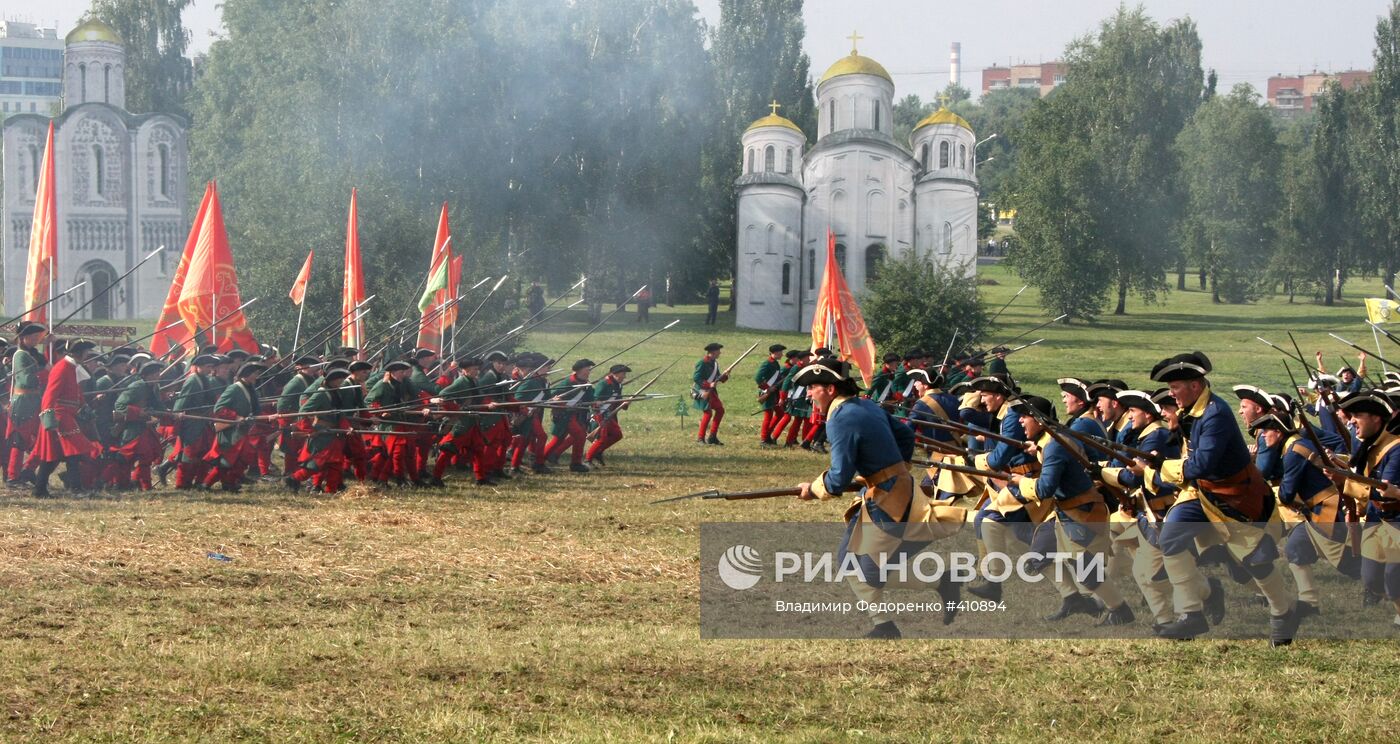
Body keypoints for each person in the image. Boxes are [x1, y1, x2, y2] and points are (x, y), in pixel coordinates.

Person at [1129, 351, 1300, 646]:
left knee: (1257, 562)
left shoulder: (1215, 414)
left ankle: (1283, 612)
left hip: (1237, 496)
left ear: (1195, 386)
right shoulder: (1191, 411)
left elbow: (1202, 464)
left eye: (1176, 387)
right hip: (1202, 492)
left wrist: (1162, 467)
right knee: (1169, 538)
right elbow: (1191, 459)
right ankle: (1192, 614)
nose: (1171, 394)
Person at [795, 357, 966, 637]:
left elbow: (838, 477)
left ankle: (939, 585)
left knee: (865, 569)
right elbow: (906, 438)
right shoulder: (866, 405)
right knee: (856, 564)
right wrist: (887, 469)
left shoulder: (839, 418)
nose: (809, 394)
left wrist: (814, 488)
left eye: (812, 387)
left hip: (888, 500)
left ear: (829, 388)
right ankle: (884, 624)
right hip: (893, 489)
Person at [32, 340, 101, 497]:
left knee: (55, 455)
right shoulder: (62, 368)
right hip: (60, 416)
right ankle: (75, 489)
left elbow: (77, 393)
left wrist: (85, 407)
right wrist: (48, 416)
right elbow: (50, 394)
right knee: (72, 453)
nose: (87, 355)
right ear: (79, 353)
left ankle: (39, 489)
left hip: (68, 415)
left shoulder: (71, 367)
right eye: (86, 352)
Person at [6, 322, 47, 485]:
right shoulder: (21, 355)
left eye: (37, 337)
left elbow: (42, 365)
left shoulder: (31, 354)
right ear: (23, 338)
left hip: (34, 401)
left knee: (42, 439)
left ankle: (28, 470)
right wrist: (44, 374)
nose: (36, 340)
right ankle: (13, 477)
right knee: (20, 440)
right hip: (23, 402)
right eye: (33, 337)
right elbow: (27, 380)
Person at [544, 359, 595, 473]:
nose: (589, 371)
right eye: (587, 369)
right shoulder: (568, 383)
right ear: (580, 370)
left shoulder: (586, 384)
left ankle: (541, 458)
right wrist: (559, 401)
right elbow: (551, 397)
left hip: (574, 415)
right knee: (580, 435)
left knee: (559, 439)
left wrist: (595, 402)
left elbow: (591, 398)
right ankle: (575, 463)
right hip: (563, 414)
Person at [586, 364, 630, 466]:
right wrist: (597, 403)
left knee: (617, 435)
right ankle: (587, 460)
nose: (624, 376)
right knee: (602, 438)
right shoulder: (604, 384)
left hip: (609, 415)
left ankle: (598, 452)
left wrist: (624, 403)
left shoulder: (618, 385)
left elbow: (617, 400)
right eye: (623, 374)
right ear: (615, 374)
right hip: (600, 414)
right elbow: (594, 400)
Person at [691, 342, 729, 445]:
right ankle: (700, 438)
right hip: (703, 391)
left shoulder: (715, 363)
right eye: (718, 351)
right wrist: (708, 384)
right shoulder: (702, 362)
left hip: (711, 392)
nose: (720, 353)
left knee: (720, 410)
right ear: (713, 352)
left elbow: (717, 377)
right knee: (708, 413)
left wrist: (725, 376)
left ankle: (712, 436)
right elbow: (696, 378)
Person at [755, 344, 787, 445]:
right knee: (768, 416)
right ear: (775, 353)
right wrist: (768, 388)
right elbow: (758, 378)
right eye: (781, 352)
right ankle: (764, 439)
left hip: (773, 393)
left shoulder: (775, 364)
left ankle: (768, 435)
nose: (782, 354)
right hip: (767, 392)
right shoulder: (767, 363)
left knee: (780, 413)